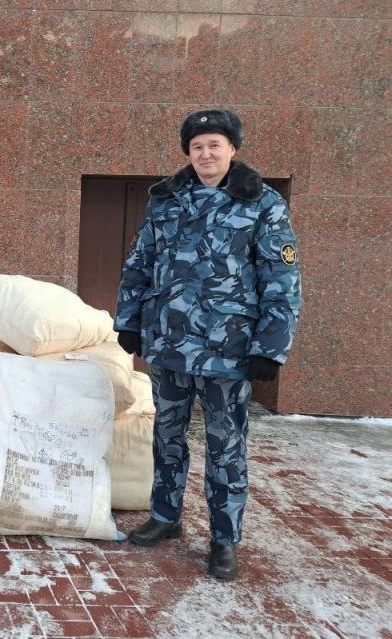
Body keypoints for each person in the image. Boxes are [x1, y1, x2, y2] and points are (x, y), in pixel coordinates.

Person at [114, 109, 301, 581]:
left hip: (228, 349)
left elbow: (281, 279)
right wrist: (129, 321)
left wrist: (270, 347)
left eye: (215, 144)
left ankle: (224, 538)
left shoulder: (263, 203)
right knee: (167, 436)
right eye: (197, 146)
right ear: (188, 152)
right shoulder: (166, 200)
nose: (206, 154)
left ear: (232, 148)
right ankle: (165, 516)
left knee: (226, 446)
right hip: (169, 343)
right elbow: (140, 262)